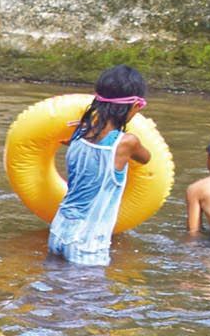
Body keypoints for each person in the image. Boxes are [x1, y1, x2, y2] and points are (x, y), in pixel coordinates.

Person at [48, 65, 152, 266]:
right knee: (92, 296)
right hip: (87, 241)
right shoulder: (126, 143)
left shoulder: (80, 133)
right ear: (135, 107)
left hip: (59, 230)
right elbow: (146, 158)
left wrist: (87, 125)